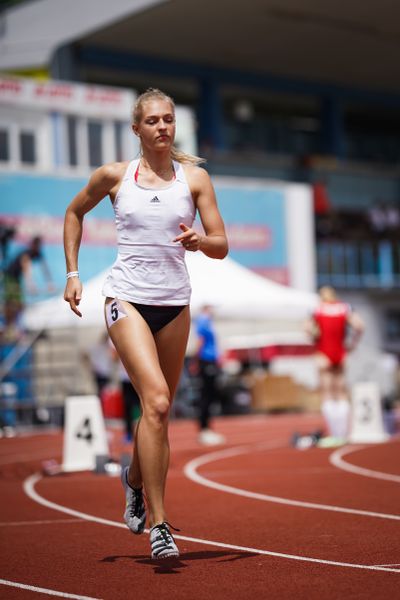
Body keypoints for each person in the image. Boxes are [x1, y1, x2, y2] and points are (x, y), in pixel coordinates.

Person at [63, 88, 228, 559]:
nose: (162, 127)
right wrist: (73, 275)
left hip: (175, 305)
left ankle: (133, 478)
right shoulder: (114, 177)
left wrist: (201, 240)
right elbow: (74, 213)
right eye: (153, 120)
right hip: (126, 299)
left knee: (160, 412)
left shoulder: (195, 179)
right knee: (153, 399)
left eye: (169, 120)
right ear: (136, 129)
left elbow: (221, 243)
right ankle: (161, 526)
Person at [304, 286, 364, 441]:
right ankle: (343, 432)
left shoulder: (317, 309)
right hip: (340, 351)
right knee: (342, 391)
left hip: (324, 352)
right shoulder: (345, 308)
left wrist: (315, 340)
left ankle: (334, 432)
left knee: (327, 392)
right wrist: (352, 345)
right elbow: (359, 326)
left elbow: (308, 329)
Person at [3, 235, 54, 329]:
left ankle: (14, 326)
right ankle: (10, 326)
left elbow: (45, 269)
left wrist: (50, 283)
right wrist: (31, 286)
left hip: (16, 279)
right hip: (10, 278)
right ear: (33, 245)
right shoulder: (27, 253)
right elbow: (27, 270)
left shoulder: (38, 253)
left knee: (18, 304)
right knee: (13, 303)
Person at [194, 304, 226, 445]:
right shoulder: (203, 320)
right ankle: (204, 429)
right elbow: (200, 341)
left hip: (210, 360)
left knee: (210, 394)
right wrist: (196, 360)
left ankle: (207, 428)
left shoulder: (209, 321)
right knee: (205, 395)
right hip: (205, 361)